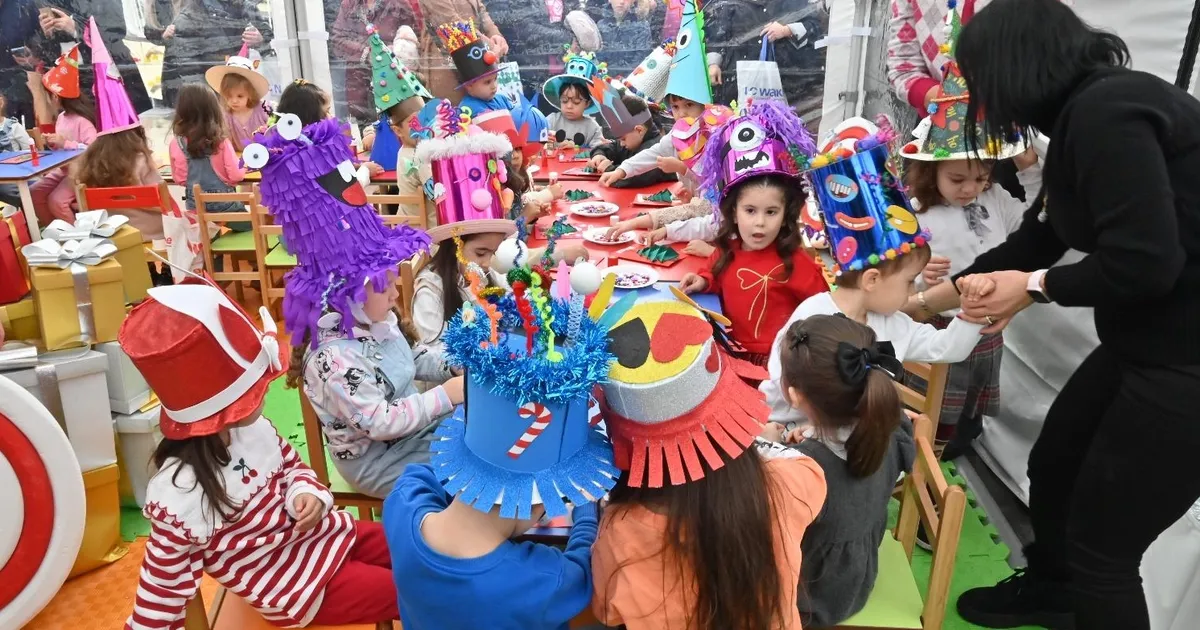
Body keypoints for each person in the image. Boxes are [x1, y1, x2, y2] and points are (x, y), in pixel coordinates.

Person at [906, 1, 1200, 628]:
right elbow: (1036, 240)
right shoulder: (1077, 120)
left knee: (1105, 549)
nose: (980, 102)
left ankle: (1080, 589)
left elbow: (1145, 264)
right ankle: (1053, 589)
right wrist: (928, 301)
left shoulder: (1107, 113)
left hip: (1186, 360)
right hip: (1145, 340)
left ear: (1010, 69)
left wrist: (1033, 288)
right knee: (1056, 463)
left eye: (979, 82)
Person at [120, 281, 399, 628]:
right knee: (420, 589)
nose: (265, 393)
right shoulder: (180, 499)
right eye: (255, 389)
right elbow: (158, 600)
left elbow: (294, 469)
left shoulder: (251, 430)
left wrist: (304, 493)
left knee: (417, 541)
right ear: (224, 410)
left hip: (331, 537)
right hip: (303, 590)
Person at [384, 236, 616, 630]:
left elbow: (419, 477)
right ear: (544, 501)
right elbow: (582, 564)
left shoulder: (401, 507)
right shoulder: (543, 581)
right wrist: (586, 509)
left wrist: (484, 457)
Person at [242, 112, 463, 500]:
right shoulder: (335, 359)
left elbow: (414, 360)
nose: (397, 293)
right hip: (380, 462)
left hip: (413, 434)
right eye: (385, 284)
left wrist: (457, 363)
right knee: (479, 462)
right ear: (350, 293)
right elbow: (378, 422)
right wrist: (447, 395)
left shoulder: (376, 322)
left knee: (487, 431)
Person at [592, 296, 827, 630]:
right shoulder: (792, 482)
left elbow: (607, 611)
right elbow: (802, 467)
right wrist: (750, 435)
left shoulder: (621, 530)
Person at [759, 122, 984, 425]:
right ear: (872, 280)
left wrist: (974, 310)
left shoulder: (894, 324)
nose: (912, 293)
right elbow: (781, 388)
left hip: (860, 441)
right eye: (908, 282)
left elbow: (947, 347)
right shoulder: (811, 318)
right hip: (798, 434)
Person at [897, 24, 1043, 457]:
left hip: (987, 329)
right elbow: (888, 281)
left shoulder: (995, 199)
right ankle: (924, 464)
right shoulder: (914, 215)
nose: (969, 188)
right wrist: (918, 272)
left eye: (980, 177)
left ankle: (956, 450)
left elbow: (1038, 222)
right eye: (957, 178)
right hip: (937, 328)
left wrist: (1030, 169)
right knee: (931, 409)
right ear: (930, 171)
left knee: (967, 415)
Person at [773, 314, 917, 627]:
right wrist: (814, 433)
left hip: (813, 601)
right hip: (859, 577)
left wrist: (773, 445)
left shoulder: (801, 470)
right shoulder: (892, 427)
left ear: (794, 395)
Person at [677, 101, 828, 367]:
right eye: (750, 211)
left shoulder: (795, 263)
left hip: (778, 365)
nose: (760, 223)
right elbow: (714, 271)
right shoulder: (728, 251)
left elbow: (823, 311)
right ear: (733, 213)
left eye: (771, 212)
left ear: (785, 216)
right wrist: (702, 281)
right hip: (729, 355)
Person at [140, 0, 272, 107]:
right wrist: (204, 97)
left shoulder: (243, 6)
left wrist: (260, 39)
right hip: (209, 84)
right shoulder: (190, 12)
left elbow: (267, 40)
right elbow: (189, 64)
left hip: (237, 80)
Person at [38, 1, 153, 113]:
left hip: (109, 71)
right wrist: (48, 34)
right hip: (69, 80)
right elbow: (40, 49)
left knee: (119, 124)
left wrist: (75, 28)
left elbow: (114, 30)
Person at [29, 46, 97, 224]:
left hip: (81, 172)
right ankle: (54, 232)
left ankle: (76, 236)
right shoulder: (61, 118)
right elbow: (62, 146)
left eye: (49, 96)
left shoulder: (82, 121)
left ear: (56, 98)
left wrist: (66, 143)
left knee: (57, 202)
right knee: (34, 192)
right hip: (63, 170)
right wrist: (53, 143)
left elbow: (94, 150)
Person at [169, 84, 249, 233]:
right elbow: (236, 176)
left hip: (196, 209)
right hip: (227, 207)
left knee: (206, 239)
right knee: (250, 228)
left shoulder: (176, 143)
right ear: (213, 110)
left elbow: (180, 179)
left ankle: (214, 255)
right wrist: (244, 165)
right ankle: (241, 252)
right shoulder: (221, 141)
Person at [329, 0, 419, 121]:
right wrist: (366, 52)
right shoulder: (349, 4)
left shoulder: (398, 4)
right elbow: (337, 39)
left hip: (394, 80)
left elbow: (413, 38)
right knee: (366, 130)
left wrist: (394, 52)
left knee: (398, 124)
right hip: (358, 85)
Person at [419, 1, 507, 101]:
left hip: (481, 63)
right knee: (457, 112)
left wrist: (495, 35)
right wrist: (491, 46)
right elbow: (451, 22)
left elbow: (481, 10)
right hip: (447, 65)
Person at [587, 94, 672, 188]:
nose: (621, 143)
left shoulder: (656, 147)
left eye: (623, 139)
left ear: (639, 130)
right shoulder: (631, 140)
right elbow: (612, 146)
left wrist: (608, 168)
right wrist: (599, 155)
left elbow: (636, 178)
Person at [433, 18, 507, 114]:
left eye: (495, 79)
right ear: (469, 86)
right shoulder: (467, 109)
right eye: (487, 82)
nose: (494, 86)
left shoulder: (502, 99)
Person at [205, 43, 271, 148]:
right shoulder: (226, 115)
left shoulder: (262, 109)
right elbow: (225, 144)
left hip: (266, 156)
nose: (234, 101)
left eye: (240, 96)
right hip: (238, 159)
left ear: (250, 93)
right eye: (229, 96)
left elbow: (275, 131)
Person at [0, 94, 35, 210]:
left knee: (6, 189)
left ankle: (29, 214)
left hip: (14, 175)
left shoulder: (13, 126)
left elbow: (30, 153)